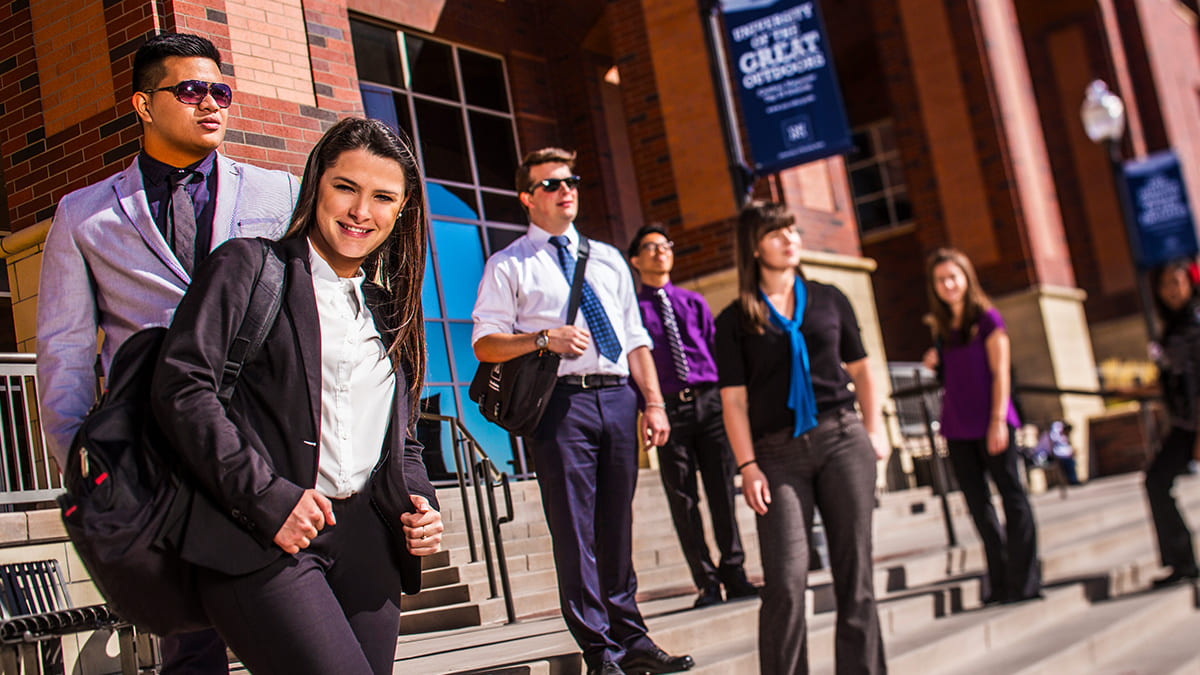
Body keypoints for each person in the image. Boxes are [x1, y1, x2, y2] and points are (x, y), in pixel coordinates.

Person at [35, 33, 299, 674]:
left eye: (221, 91)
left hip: (273, 444)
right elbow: (65, 348)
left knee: (300, 627)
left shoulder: (280, 193)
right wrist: (83, 460)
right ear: (143, 105)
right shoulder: (84, 214)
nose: (212, 103)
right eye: (190, 90)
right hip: (161, 457)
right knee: (191, 644)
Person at [150, 117, 443, 675]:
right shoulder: (247, 267)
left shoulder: (390, 312)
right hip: (261, 534)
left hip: (368, 546)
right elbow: (181, 389)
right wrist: (268, 498)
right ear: (317, 185)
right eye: (346, 188)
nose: (361, 211)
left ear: (401, 210)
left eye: (383, 197)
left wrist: (420, 503)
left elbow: (399, 441)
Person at [472, 149, 693, 675]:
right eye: (551, 184)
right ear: (528, 198)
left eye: (571, 181)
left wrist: (653, 402)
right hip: (561, 406)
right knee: (576, 529)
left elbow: (636, 339)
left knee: (617, 525)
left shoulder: (611, 258)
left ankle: (633, 639)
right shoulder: (510, 264)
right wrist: (542, 338)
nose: (566, 190)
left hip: (618, 398)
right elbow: (484, 344)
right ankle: (600, 652)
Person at [716, 201, 887, 675]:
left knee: (856, 577)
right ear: (754, 247)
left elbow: (862, 370)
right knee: (786, 583)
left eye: (791, 229)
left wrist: (874, 430)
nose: (790, 238)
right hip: (775, 455)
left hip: (842, 440)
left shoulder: (831, 298)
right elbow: (733, 402)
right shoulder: (734, 319)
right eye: (776, 233)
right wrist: (747, 466)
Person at [626, 224, 757, 608]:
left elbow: (717, 352)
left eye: (665, 245)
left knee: (722, 492)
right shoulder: (633, 311)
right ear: (635, 260)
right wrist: (646, 411)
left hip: (710, 404)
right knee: (682, 500)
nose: (659, 252)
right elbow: (634, 364)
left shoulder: (693, 301)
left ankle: (736, 573)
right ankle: (706, 582)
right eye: (650, 247)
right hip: (669, 411)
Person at [922, 247, 1041, 604]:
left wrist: (997, 421)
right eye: (940, 280)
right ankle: (1000, 580)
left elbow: (1000, 373)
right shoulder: (943, 329)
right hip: (957, 428)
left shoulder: (988, 319)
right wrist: (935, 363)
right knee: (978, 505)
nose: (947, 284)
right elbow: (953, 376)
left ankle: (1025, 582)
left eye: (953, 277)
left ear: (966, 278)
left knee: (1013, 499)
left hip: (993, 423)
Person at [1140, 260, 1200, 587]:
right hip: (1184, 424)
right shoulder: (1173, 327)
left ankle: (1183, 561)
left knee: (1157, 480)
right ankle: (1182, 561)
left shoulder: (1196, 322)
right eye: (1165, 284)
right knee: (1156, 481)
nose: (1171, 290)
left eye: (1177, 282)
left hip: (1197, 425)